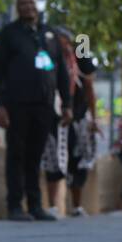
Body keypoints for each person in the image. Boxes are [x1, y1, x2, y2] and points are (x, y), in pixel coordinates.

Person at [0, 0, 71, 222]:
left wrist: (67, 103)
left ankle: (36, 205)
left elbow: (62, 72)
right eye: (23, 3)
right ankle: (15, 206)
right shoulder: (8, 35)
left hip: (44, 105)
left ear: (38, 6)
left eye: (31, 3)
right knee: (16, 154)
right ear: (17, 8)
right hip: (16, 106)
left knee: (36, 156)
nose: (28, 7)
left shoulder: (50, 34)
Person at [42, 28, 97, 217]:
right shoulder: (48, 59)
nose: (62, 44)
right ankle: (53, 206)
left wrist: (93, 118)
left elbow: (89, 88)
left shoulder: (80, 59)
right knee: (53, 161)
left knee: (79, 160)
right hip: (54, 119)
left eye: (65, 41)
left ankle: (77, 206)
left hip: (78, 118)